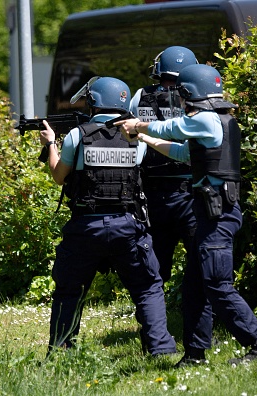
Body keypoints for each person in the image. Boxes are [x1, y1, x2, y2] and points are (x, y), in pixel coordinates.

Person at [115, 64, 257, 366]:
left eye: (182, 96)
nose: (180, 102)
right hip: (209, 212)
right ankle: (195, 354)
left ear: (190, 94)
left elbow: (171, 128)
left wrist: (138, 126)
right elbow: (181, 153)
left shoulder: (207, 120)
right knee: (195, 287)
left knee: (217, 283)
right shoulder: (216, 122)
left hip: (217, 215)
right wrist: (144, 139)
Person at [40, 77, 176, 356]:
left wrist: (51, 143)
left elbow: (58, 176)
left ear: (92, 102)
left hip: (85, 227)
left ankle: (62, 352)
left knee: (69, 292)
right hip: (127, 224)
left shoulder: (79, 135)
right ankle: (161, 349)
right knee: (148, 288)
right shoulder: (135, 138)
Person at [130, 46, 198, 284]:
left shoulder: (140, 96)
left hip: (153, 195)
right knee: (200, 263)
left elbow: (129, 137)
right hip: (190, 192)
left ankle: (152, 320)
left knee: (153, 271)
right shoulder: (198, 98)